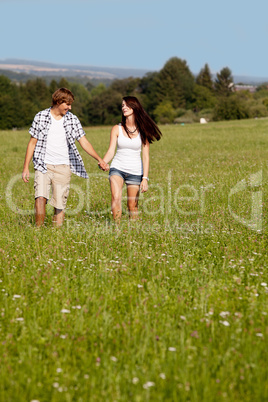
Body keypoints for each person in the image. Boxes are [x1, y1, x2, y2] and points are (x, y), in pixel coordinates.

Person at [22, 87, 109, 227]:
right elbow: (32, 142)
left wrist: (99, 159)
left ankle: (57, 234)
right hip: (43, 165)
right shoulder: (41, 117)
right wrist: (26, 167)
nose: (69, 107)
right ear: (58, 102)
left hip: (64, 166)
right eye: (67, 104)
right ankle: (37, 232)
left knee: (59, 203)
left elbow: (84, 142)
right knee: (40, 197)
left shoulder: (72, 119)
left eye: (70, 104)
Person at [101, 96, 162, 223]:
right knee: (116, 197)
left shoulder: (143, 131)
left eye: (127, 105)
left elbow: (145, 157)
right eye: (122, 105)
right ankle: (117, 228)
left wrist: (145, 179)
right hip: (117, 168)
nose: (124, 107)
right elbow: (111, 150)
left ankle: (133, 232)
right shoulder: (116, 129)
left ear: (134, 107)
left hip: (135, 171)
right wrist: (104, 161)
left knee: (132, 206)